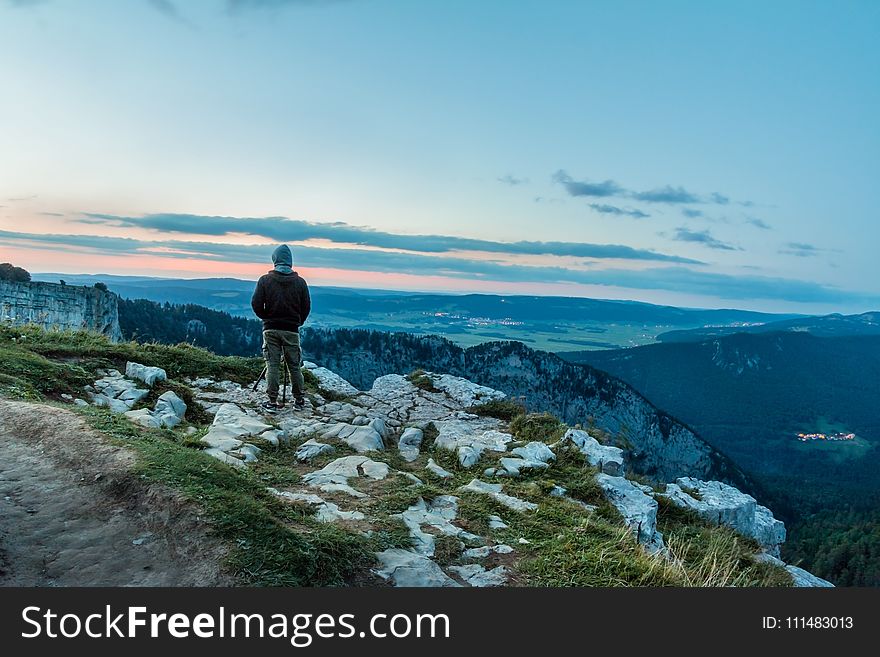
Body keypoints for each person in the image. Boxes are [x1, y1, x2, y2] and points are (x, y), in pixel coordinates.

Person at [250, 244, 311, 413]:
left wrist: (266, 318)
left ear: (275, 260)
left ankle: (271, 402)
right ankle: (299, 400)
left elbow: (255, 303)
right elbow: (306, 306)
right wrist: (298, 322)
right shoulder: (300, 282)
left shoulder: (264, 280)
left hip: (271, 329)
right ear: (290, 261)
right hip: (291, 329)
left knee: (273, 365)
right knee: (294, 366)